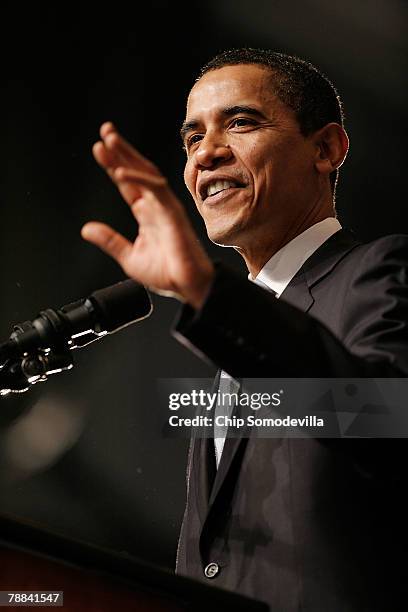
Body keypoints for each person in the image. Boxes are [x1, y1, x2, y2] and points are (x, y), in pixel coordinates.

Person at [81, 49, 408, 611]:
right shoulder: (237, 347)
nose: (206, 152)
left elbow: (381, 420)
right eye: (191, 139)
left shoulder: (380, 272)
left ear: (326, 149)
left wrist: (209, 293)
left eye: (240, 122)